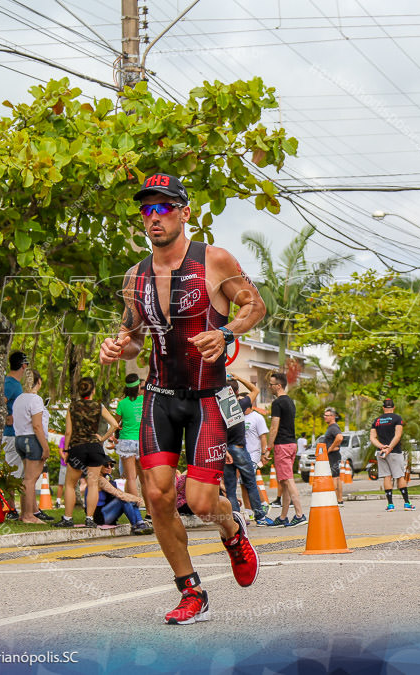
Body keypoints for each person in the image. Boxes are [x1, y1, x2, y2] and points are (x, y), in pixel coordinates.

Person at [98, 172, 267, 625]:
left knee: (203, 502)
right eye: (147, 210)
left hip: (209, 395)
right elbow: (132, 336)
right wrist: (116, 347)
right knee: (155, 496)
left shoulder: (214, 260)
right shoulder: (135, 276)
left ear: (184, 212)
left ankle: (233, 531)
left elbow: (255, 305)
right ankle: (191, 591)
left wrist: (225, 330)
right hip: (159, 395)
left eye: (163, 207)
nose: (154, 218)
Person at [54, 377, 119, 528]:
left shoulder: (73, 407)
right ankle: (90, 519)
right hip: (95, 448)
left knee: (70, 484)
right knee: (93, 484)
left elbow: (68, 432)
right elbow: (115, 424)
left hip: (78, 448)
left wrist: (66, 449)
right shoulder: (99, 406)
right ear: (93, 390)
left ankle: (68, 519)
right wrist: (102, 438)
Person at [222, 373, 272, 525]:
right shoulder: (240, 404)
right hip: (239, 449)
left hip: (225, 451)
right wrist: (239, 378)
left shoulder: (219, 407)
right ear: (236, 393)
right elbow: (255, 390)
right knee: (250, 483)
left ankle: (237, 518)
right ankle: (260, 517)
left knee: (230, 487)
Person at [11, 371, 53, 524]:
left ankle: (24, 513)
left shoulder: (18, 399)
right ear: (39, 382)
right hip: (33, 440)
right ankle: (29, 515)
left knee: (26, 478)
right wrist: (45, 447)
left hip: (20, 439)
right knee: (30, 480)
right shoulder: (35, 400)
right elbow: (37, 425)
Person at [267, 372, 307, 527]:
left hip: (282, 445)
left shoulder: (277, 403)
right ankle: (283, 517)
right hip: (291, 444)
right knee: (284, 481)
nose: (269, 387)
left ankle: (299, 514)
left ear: (278, 385)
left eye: (271, 384)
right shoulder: (290, 401)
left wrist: (268, 448)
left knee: (288, 480)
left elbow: (274, 427)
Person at [369, 398, 413, 511]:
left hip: (381, 452)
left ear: (383, 408)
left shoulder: (377, 420)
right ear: (393, 407)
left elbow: (372, 438)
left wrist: (381, 447)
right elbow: (398, 435)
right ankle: (407, 503)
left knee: (387, 476)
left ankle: (390, 505)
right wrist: (390, 447)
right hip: (394, 452)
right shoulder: (397, 418)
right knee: (399, 476)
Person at [1, 351, 29, 519]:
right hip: (11, 434)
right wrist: (6, 417)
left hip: (19, 433)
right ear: (23, 365)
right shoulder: (10, 383)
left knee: (22, 472)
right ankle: (10, 509)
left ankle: (22, 508)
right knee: (12, 473)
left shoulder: (15, 383)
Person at [93, 456, 153, 535]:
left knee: (129, 499)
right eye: (106, 465)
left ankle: (140, 523)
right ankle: (136, 525)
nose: (109, 467)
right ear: (99, 466)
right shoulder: (99, 479)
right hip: (100, 517)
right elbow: (119, 495)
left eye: (111, 465)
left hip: (108, 514)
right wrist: (135, 499)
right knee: (123, 499)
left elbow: (123, 494)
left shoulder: (108, 480)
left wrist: (135, 499)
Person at [240, 395, 271, 521]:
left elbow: (263, 437)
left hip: (253, 454)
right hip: (240, 453)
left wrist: (264, 454)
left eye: (240, 400)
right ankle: (248, 510)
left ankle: (263, 504)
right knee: (243, 482)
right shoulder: (238, 417)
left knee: (249, 480)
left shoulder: (257, 417)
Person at [113, 373, 144, 499]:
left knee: (131, 478)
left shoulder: (122, 404)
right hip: (142, 442)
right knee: (145, 480)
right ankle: (149, 513)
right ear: (138, 387)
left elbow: (116, 423)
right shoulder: (144, 400)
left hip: (126, 442)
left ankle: (136, 513)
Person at [322, 407, 345, 505]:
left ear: (333, 416)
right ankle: (339, 500)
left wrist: (330, 449)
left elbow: (339, 437)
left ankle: (334, 500)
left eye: (327, 415)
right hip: (334, 455)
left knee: (334, 477)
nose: (325, 417)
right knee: (337, 477)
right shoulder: (331, 427)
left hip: (333, 455)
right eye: (324, 415)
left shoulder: (333, 427)